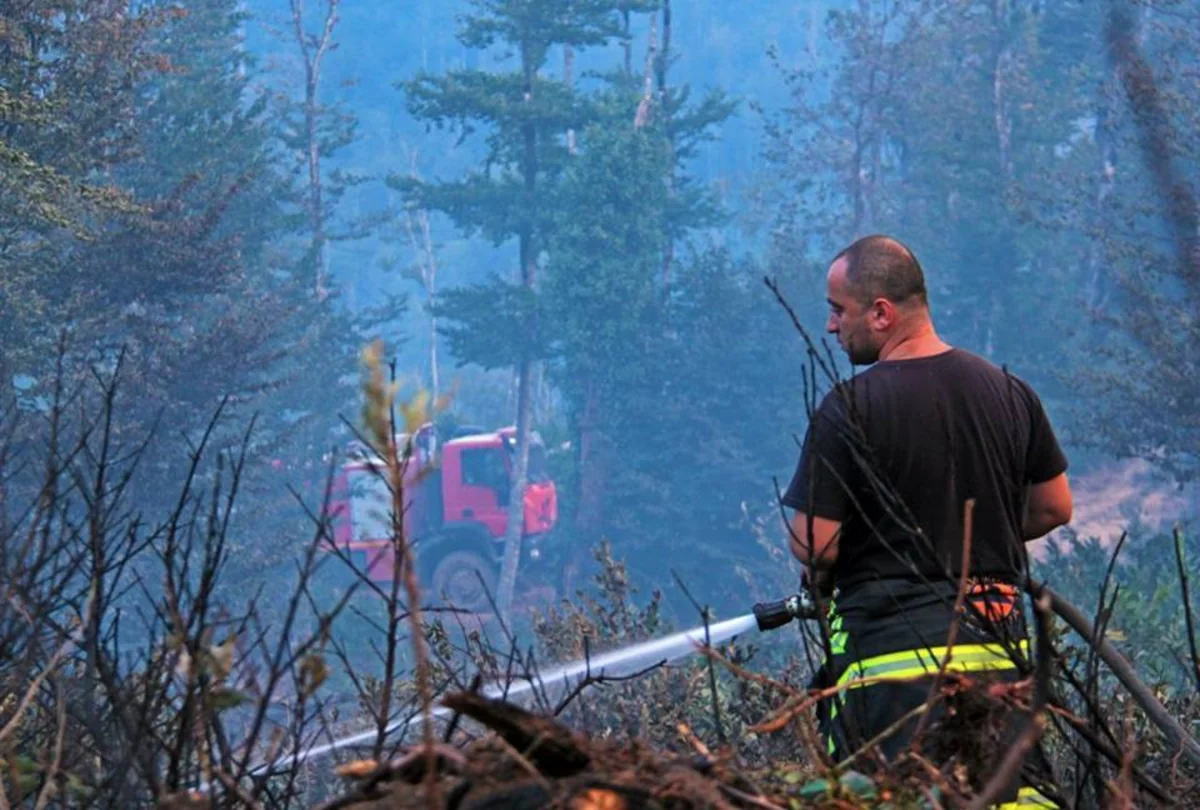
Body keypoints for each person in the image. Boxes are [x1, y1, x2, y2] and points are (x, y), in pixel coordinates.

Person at [782, 235, 1072, 808]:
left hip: (890, 673)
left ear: (882, 312)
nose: (831, 327)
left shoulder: (850, 406)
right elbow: (1052, 508)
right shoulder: (1010, 392)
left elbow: (817, 545)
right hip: (998, 661)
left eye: (839, 310)